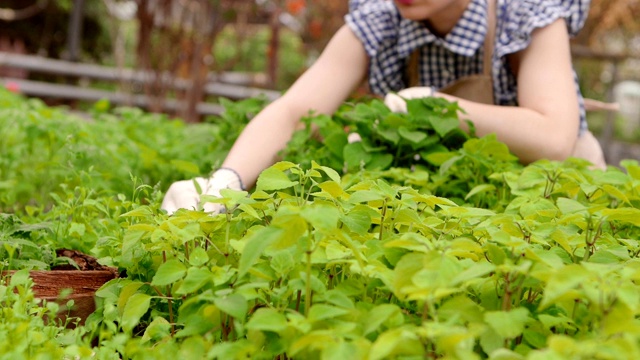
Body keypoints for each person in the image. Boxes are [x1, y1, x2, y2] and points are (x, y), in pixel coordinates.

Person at [161, 0, 605, 214]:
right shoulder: (383, 17)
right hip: (443, 199)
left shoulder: (524, 11)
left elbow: (554, 138)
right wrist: (224, 182)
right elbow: (296, 110)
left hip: (553, 195)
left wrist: (436, 106)